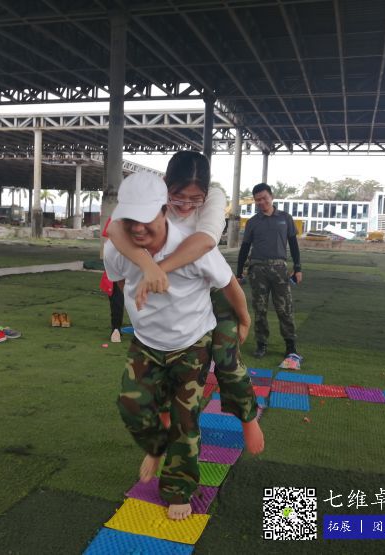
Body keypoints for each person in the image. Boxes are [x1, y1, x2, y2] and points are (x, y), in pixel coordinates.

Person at [104, 172, 252, 521]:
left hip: (191, 342)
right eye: (130, 220)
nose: (137, 228)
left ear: (163, 210)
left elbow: (228, 283)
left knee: (185, 421)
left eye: (145, 219)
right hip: (147, 342)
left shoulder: (193, 248)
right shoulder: (117, 249)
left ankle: (179, 489)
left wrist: (244, 319)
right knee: (132, 405)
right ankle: (156, 448)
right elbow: (120, 279)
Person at [236, 183, 302, 367]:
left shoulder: (285, 218)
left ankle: (290, 345)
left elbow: (293, 244)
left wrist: (298, 268)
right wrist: (239, 272)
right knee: (260, 309)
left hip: (280, 269)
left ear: (271, 197)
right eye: (257, 200)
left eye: (264, 198)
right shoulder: (252, 222)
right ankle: (261, 344)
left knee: (285, 308)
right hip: (257, 271)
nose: (261, 202)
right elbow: (244, 248)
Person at [100, 218, 125, 342]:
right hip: (118, 267)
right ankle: (116, 329)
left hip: (137, 266)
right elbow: (108, 241)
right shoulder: (115, 218)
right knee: (117, 300)